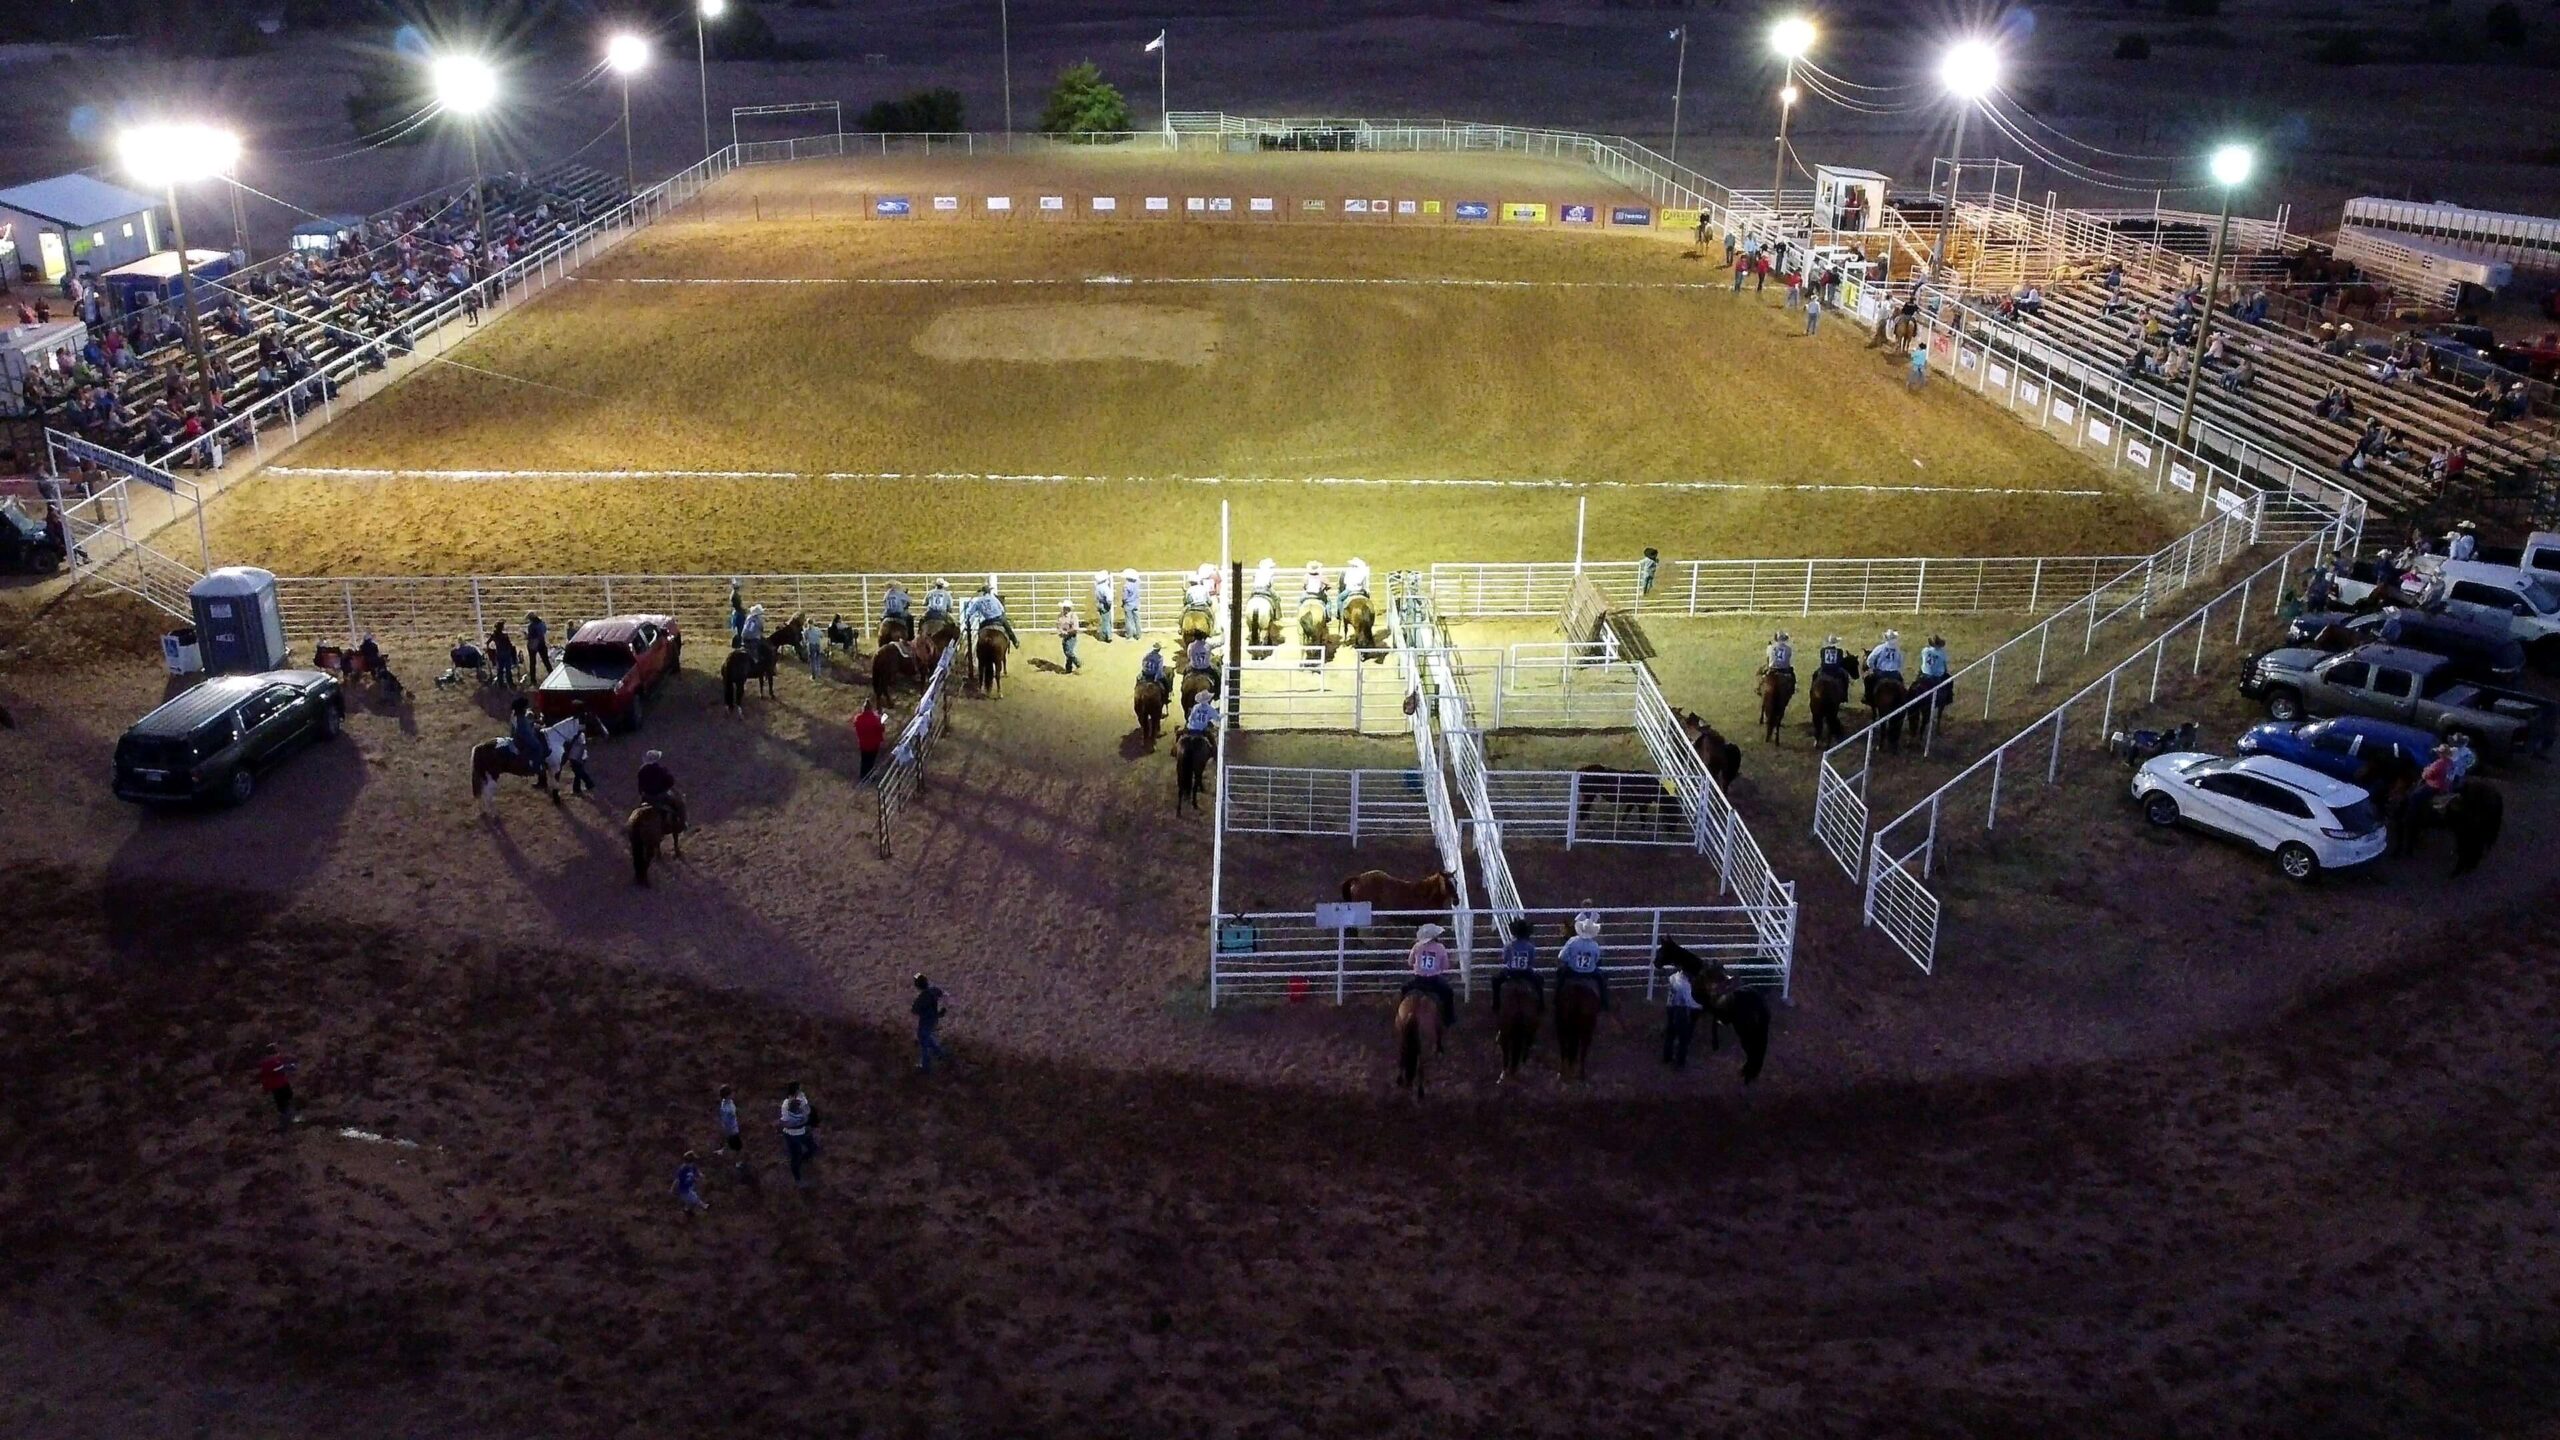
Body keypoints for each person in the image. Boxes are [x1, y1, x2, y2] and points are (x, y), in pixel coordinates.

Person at [1401, 923, 1458, 1031]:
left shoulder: (1417, 946)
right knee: (1448, 992)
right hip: (1433, 981)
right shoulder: (1440, 948)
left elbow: (1410, 962)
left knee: (1403, 989)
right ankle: (1449, 1018)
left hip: (1418, 980)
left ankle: (1399, 1014)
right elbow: (1445, 966)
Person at [1555, 911, 1609, 1010]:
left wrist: (1569, 960)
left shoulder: (1572, 941)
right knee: (1601, 979)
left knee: (1560, 976)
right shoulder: (1595, 945)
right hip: (1590, 973)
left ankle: (1556, 999)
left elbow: (1562, 956)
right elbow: (1597, 960)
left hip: (1573, 971)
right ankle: (1604, 1002)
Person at [1489, 917, 1543, 1010]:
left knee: (1495, 981)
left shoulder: (1509, 945)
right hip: (1526, 972)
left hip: (1511, 972)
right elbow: (1531, 961)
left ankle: (1496, 1004)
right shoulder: (1530, 946)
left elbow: (1505, 959)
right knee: (1539, 981)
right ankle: (1541, 1004)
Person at [1661, 961, 1702, 1069]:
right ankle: (1680, 1062)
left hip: (1671, 1007)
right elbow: (1689, 1001)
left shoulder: (1673, 977)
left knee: (1670, 1033)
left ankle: (1667, 1056)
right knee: (1684, 1038)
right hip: (1681, 1010)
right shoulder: (1684, 985)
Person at [913, 973, 951, 1073]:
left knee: (923, 1041)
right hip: (934, 1019)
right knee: (927, 1037)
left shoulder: (921, 999)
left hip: (925, 1021)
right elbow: (946, 995)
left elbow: (914, 1011)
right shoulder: (934, 990)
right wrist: (943, 1010)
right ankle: (940, 1053)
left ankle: (926, 1065)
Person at [778, 1084, 816, 1185]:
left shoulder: (801, 1097)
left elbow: (807, 1110)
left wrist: (805, 1119)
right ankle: (797, 1179)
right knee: (796, 1157)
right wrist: (801, 1123)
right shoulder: (785, 1106)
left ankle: (804, 1159)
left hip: (803, 1131)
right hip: (791, 1136)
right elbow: (784, 1124)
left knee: (812, 1148)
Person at [256, 1044, 298, 1132]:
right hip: (278, 1086)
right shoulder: (268, 1063)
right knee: (284, 1104)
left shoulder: (274, 1061)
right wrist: (289, 1067)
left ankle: (290, 1118)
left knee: (287, 1101)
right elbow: (278, 1070)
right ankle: (286, 1123)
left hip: (281, 1085)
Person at [505, 696, 546, 778]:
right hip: (521, 738)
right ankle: (535, 767)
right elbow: (524, 731)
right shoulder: (520, 718)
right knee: (538, 746)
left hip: (518, 736)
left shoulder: (517, 716)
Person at [637, 749, 680, 824]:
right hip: (660, 796)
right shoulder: (661, 770)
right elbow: (670, 782)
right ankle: (679, 823)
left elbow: (640, 786)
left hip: (646, 797)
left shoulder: (641, 770)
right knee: (677, 804)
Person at [1864, 629, 1905, 707]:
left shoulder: (1880, 648)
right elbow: (1900, 662)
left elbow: (1870, 659)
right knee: (1902, 685)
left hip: (1881, 673)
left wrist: (1873, 668)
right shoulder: (1898, 649)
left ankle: (1868, 698)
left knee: (1868, 679)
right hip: (1894, 674)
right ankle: (1904, 701)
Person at [852, 698, 886, 780]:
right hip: (874, 744)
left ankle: (863, 775)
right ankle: (870, 776)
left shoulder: (858, 718)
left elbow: (856, 726)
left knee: (864, 760)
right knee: (871, 761)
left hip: (863, 743)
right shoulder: (875, 719)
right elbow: (881, 729)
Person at [561, 715, 595, 795]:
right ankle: (588, 784)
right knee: (578, 771)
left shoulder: (577, 732)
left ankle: (579, 789)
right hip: (578, 753)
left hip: (577, 754)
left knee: (578, 771)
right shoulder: (579, 729)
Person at [716, 1085, 744, 1173]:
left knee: (729, 1141)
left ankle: (722, 1151)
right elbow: (728, 1118)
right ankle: (737, 1162)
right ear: (728, 1095)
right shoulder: (728, 1108)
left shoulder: (726, 1102)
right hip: (732, 1130)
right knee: (738, 1147)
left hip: (730, 1128)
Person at [1335, 556, 1371, 622]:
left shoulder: (1349, 571)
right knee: (1368, 599)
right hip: (1360, 590)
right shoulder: (1362, 572)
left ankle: (1341, 614)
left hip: (1350, 590)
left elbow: (1345, 581)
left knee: (1339, 598)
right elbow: (1364, 583)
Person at [490, 622, 520, 689]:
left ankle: (500, 683)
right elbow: (509, 645)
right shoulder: (505, 636)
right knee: (508, 669)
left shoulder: (494, 635)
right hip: (506, 653)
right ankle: (510, 682)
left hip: (499, 653)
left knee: (500, 669)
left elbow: (489, 642)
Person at [1056, 601, 1083, 674]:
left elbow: (1075, 628)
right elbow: (1058, 626)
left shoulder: (1073, 616)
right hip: (1065, 637)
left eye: (1066, 608)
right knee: (1067, 652)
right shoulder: (1060, 616)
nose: (1065, 609)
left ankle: (1078, 664)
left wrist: (1067, 632)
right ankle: (1068, 668)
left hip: (1071, 637)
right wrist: (1061, 632)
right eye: (1064, 608)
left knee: (1069, 652)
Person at [524, 612, 551, 680]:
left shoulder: (531, 626)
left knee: (532, 662)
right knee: (546, 661)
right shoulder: (542, 623)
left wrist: (526, 635)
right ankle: (551, 674)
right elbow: (544, 631)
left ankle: (533, 680)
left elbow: (530, 636)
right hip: (542, 643)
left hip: (533, 645)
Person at [1119, 567, 1143, 639]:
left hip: (1129, 604)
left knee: (1129, 620)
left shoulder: (1126, 586)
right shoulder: (1137, 583)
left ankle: (1130, 635)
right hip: (1136, 603)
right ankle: (1138, 634)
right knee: (1137, 619)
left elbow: (1125, 597)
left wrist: (1123, 602)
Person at [1090, 570, 1114, 643]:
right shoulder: (1105, 587)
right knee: (1106, 621)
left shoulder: (1098, 587)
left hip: (1100, 604)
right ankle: (1108, 636)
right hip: (1105, 605)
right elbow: (1109, 599)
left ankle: (1102, 635)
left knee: (1103, 620)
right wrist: (1109, 604)